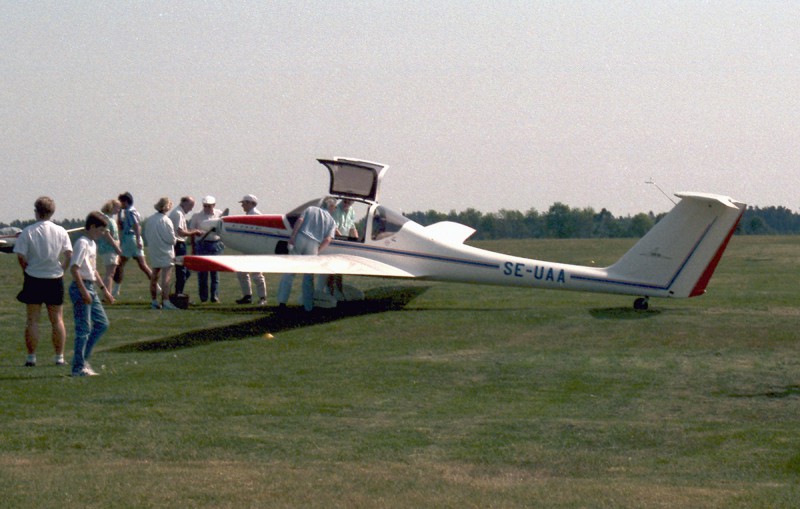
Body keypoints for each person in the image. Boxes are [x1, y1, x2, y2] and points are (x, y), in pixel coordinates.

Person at [13, 196, 73, 367]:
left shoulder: (28, 231)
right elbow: (69, 254)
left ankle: (31, 357)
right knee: (57, 319)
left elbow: (21, 255)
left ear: (36, 212)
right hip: (54, 277)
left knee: (32, 320)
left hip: (34, 277)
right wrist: (62, 268)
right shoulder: (61, 231)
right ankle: (59, 357)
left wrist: (26, 268)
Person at [69, 211, 114, 376]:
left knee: (102, 323)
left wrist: (105, 291)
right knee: (83, 329)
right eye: (101, 230)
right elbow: (74, 268)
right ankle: (78, 368)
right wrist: (83, 292)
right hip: (81, 287)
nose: (102, 234)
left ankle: (82, 360)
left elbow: (93, 271)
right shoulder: (82, 243)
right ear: (92, 227)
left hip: (91, 287)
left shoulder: (92, 244)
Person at [277, 197, 337, 311]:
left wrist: (293, 237)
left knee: (290, 272)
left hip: (301, 237)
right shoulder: (332, 221)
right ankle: (308, 306)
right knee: (308, 276)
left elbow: (300, 221)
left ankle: (282, 302)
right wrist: (317, 251)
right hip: (314, 244)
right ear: (331, 207)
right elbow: (328, 239)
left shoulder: (310, 209)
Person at [114, 192, 153, 297]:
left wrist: (138, 240)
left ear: (125, 202)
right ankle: (156, 286)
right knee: (142, 265)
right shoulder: (127, 212)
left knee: (120, 263)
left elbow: (136, 225)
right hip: (131, 238)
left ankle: (116, 289)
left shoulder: (130, 212)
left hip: (130, 239)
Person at [189, 195, 224, 303]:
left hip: (216, 244)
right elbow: (191, 232)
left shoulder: (220, 214)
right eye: (205, 206)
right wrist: (193, 247)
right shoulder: (196, 216)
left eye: (209, 206)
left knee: (215, 272)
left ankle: (214, 296)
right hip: (202, 244)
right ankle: (203, 297)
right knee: (202, 273)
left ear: (214, 205)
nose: (207, 208)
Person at [145, 197, 178, 310]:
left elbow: (147, 235)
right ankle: (166, 300)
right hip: (165, 251)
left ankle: (154, 300)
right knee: (166, 277)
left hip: (154, 250)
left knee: (154, 276)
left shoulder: (150, 220)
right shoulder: (166, 220)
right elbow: (171, 239)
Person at [235, 194, 267, 305]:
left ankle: (263, 298)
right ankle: (247, 296)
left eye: (244, 203)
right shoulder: (249, 214)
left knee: (257, 274)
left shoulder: (256, 215)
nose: (242, 205)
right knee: (241, 272)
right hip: (248, 248)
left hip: (255, 249)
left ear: (250, 203)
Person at [325, 198, 359, 299]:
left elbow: (352, 228)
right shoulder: (336, 210)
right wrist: (342, 238)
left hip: (344, 242)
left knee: (340, 269)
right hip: (335, 241)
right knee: (332, 268)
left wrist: (356, 240)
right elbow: (334, 228)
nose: (346, 204)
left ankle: (338, 291)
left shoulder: (352, 211)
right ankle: (329, 290)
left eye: (349, 202)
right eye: (345, 202)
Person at [169, 196, 203, 296]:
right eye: (190, 205)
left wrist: (193, 231)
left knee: (184, 271)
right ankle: (179, 293)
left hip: (178, 244)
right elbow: (180, 232)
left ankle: (178, 291)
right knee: (182, 271)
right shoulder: (178, 214)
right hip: (178, 244)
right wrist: (194, 232)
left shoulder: (178, 212)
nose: (191, 208)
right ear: (184, 203)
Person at [96, 199, 123, 300]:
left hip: (111, 249)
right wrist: (116, 247)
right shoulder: (107, 219)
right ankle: (107, 295)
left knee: (111, 272)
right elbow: (107, 234)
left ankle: (107, 294)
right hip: (109, 249)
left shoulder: (111, 219)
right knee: (110, 273)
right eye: (117, 207)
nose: (118, 210)